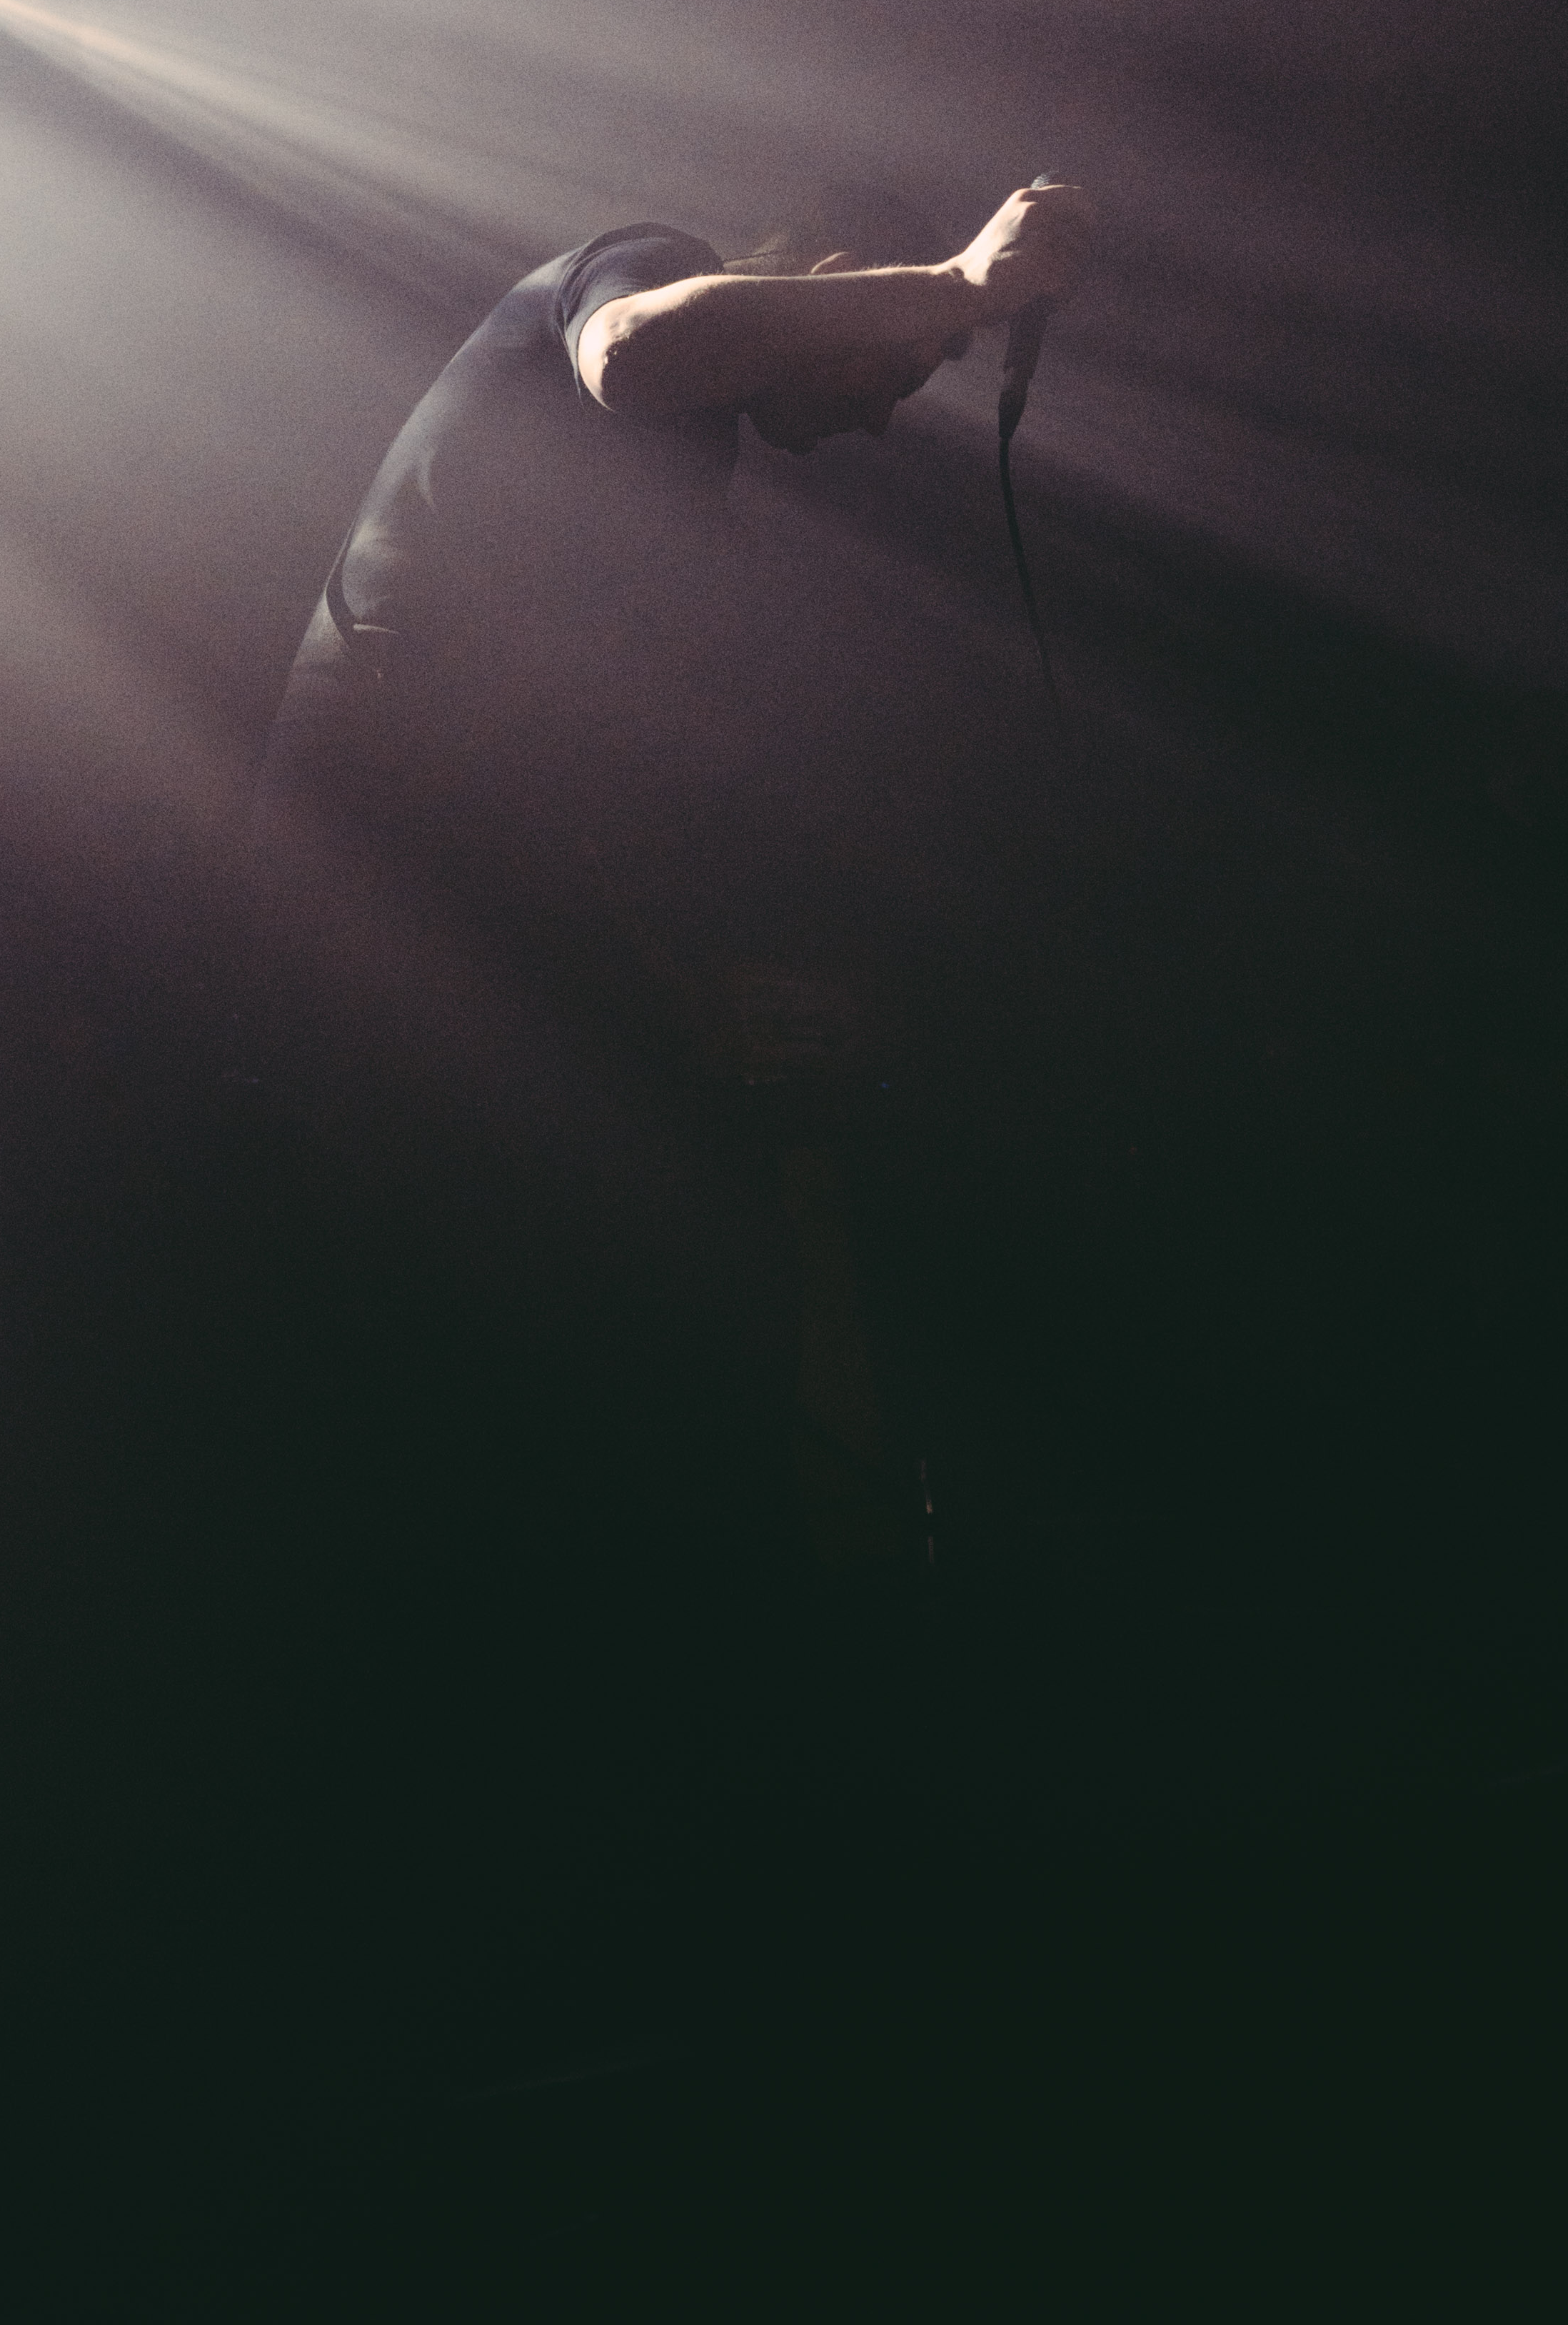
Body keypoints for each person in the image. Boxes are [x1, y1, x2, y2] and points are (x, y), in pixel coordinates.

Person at [253, 174, 1094, 1562]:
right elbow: (637, 353)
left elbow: (607, 792)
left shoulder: (681, 511)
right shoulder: (645, 262)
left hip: (438, 899)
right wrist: (964, 289)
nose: (886, 416)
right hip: (376, 890)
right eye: (907, 372)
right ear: (834, 275)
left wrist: (722, 981)